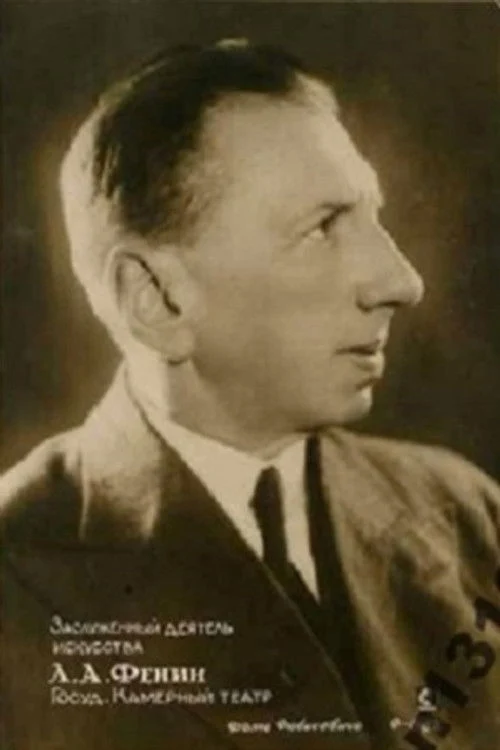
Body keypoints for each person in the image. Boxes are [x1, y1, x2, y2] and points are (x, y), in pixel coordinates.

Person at [1, 40, 499, 750]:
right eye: (323, 228)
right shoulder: (16, 573)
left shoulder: (468, 514)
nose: (402, 281)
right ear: (156, 298)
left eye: (373, 216)